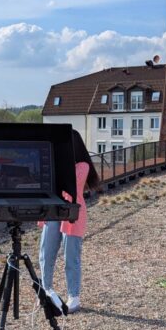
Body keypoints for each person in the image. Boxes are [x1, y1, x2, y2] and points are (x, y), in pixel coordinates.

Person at [39, 130, 101, 314]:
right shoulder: (56, 163)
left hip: (73, 213)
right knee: (46, 253)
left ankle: (74, 296)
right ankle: (46, 290)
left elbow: (70, 184)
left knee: (71, 257)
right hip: (53, 210)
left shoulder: (82, 166)